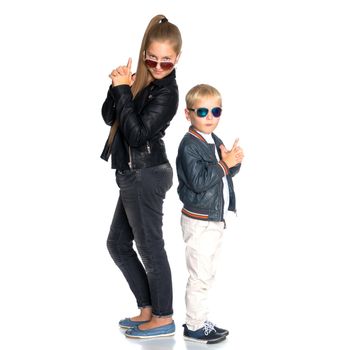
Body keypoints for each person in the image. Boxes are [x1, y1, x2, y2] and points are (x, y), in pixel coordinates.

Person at [100, 14, 182, 339]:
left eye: (167, 62)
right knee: (118, 243)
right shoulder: (140, 83)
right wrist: (117, 86)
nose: (159, 66)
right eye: (153, 59)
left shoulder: (167, 94)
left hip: (146, 173)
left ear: (177, 59)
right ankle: (147, 309)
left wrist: (124, 93)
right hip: (132, 173)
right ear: (145, 52)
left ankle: (163, 317)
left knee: (150, 247)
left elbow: (136, 136)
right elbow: (110, 116)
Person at [176, 84, 244, 344]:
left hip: (213, 219)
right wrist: (223, 164)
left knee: (207, 274)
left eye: (216, 111)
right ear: (188, 114)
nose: (209, 117)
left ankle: (199, 319)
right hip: (199, 221)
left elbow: (223, 175)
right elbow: (199, 182)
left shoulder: (214, 140)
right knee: (200, 275)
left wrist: (232, 162)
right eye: (202, 111)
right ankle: (194, 326)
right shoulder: (189, 145)